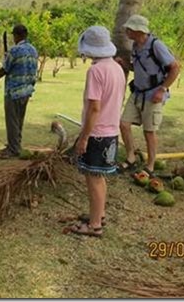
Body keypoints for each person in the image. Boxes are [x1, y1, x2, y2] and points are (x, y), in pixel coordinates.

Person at [70, 26, 126, 238]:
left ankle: (94, 225)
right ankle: (98, 214)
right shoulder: (116, 68)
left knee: (93, 178)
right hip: (111, 131)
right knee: (99, 176)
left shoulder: (95, 71)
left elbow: (94, 108)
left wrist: (83, 137)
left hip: (97, 132)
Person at [119, 14, 180, 175]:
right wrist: (125, 64)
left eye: (129, 29)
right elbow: (139, 67)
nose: (127, 31)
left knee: (149, 131)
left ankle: (150, 166)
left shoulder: (156, 45)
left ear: (138, 31)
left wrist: (162, 90)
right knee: (124, 124)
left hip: (153, 94)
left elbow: (175, 67)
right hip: (137, 92)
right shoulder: (135, 46)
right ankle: (131, 157)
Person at [0, 24, 38, 158]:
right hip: (27, 91)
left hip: (14, 91)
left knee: (12, 121)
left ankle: (13, 149)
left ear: (16, 36)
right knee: (19, 120)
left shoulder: (15, 50)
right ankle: (16, 145)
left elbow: (5, 69)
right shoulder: (33, 50)